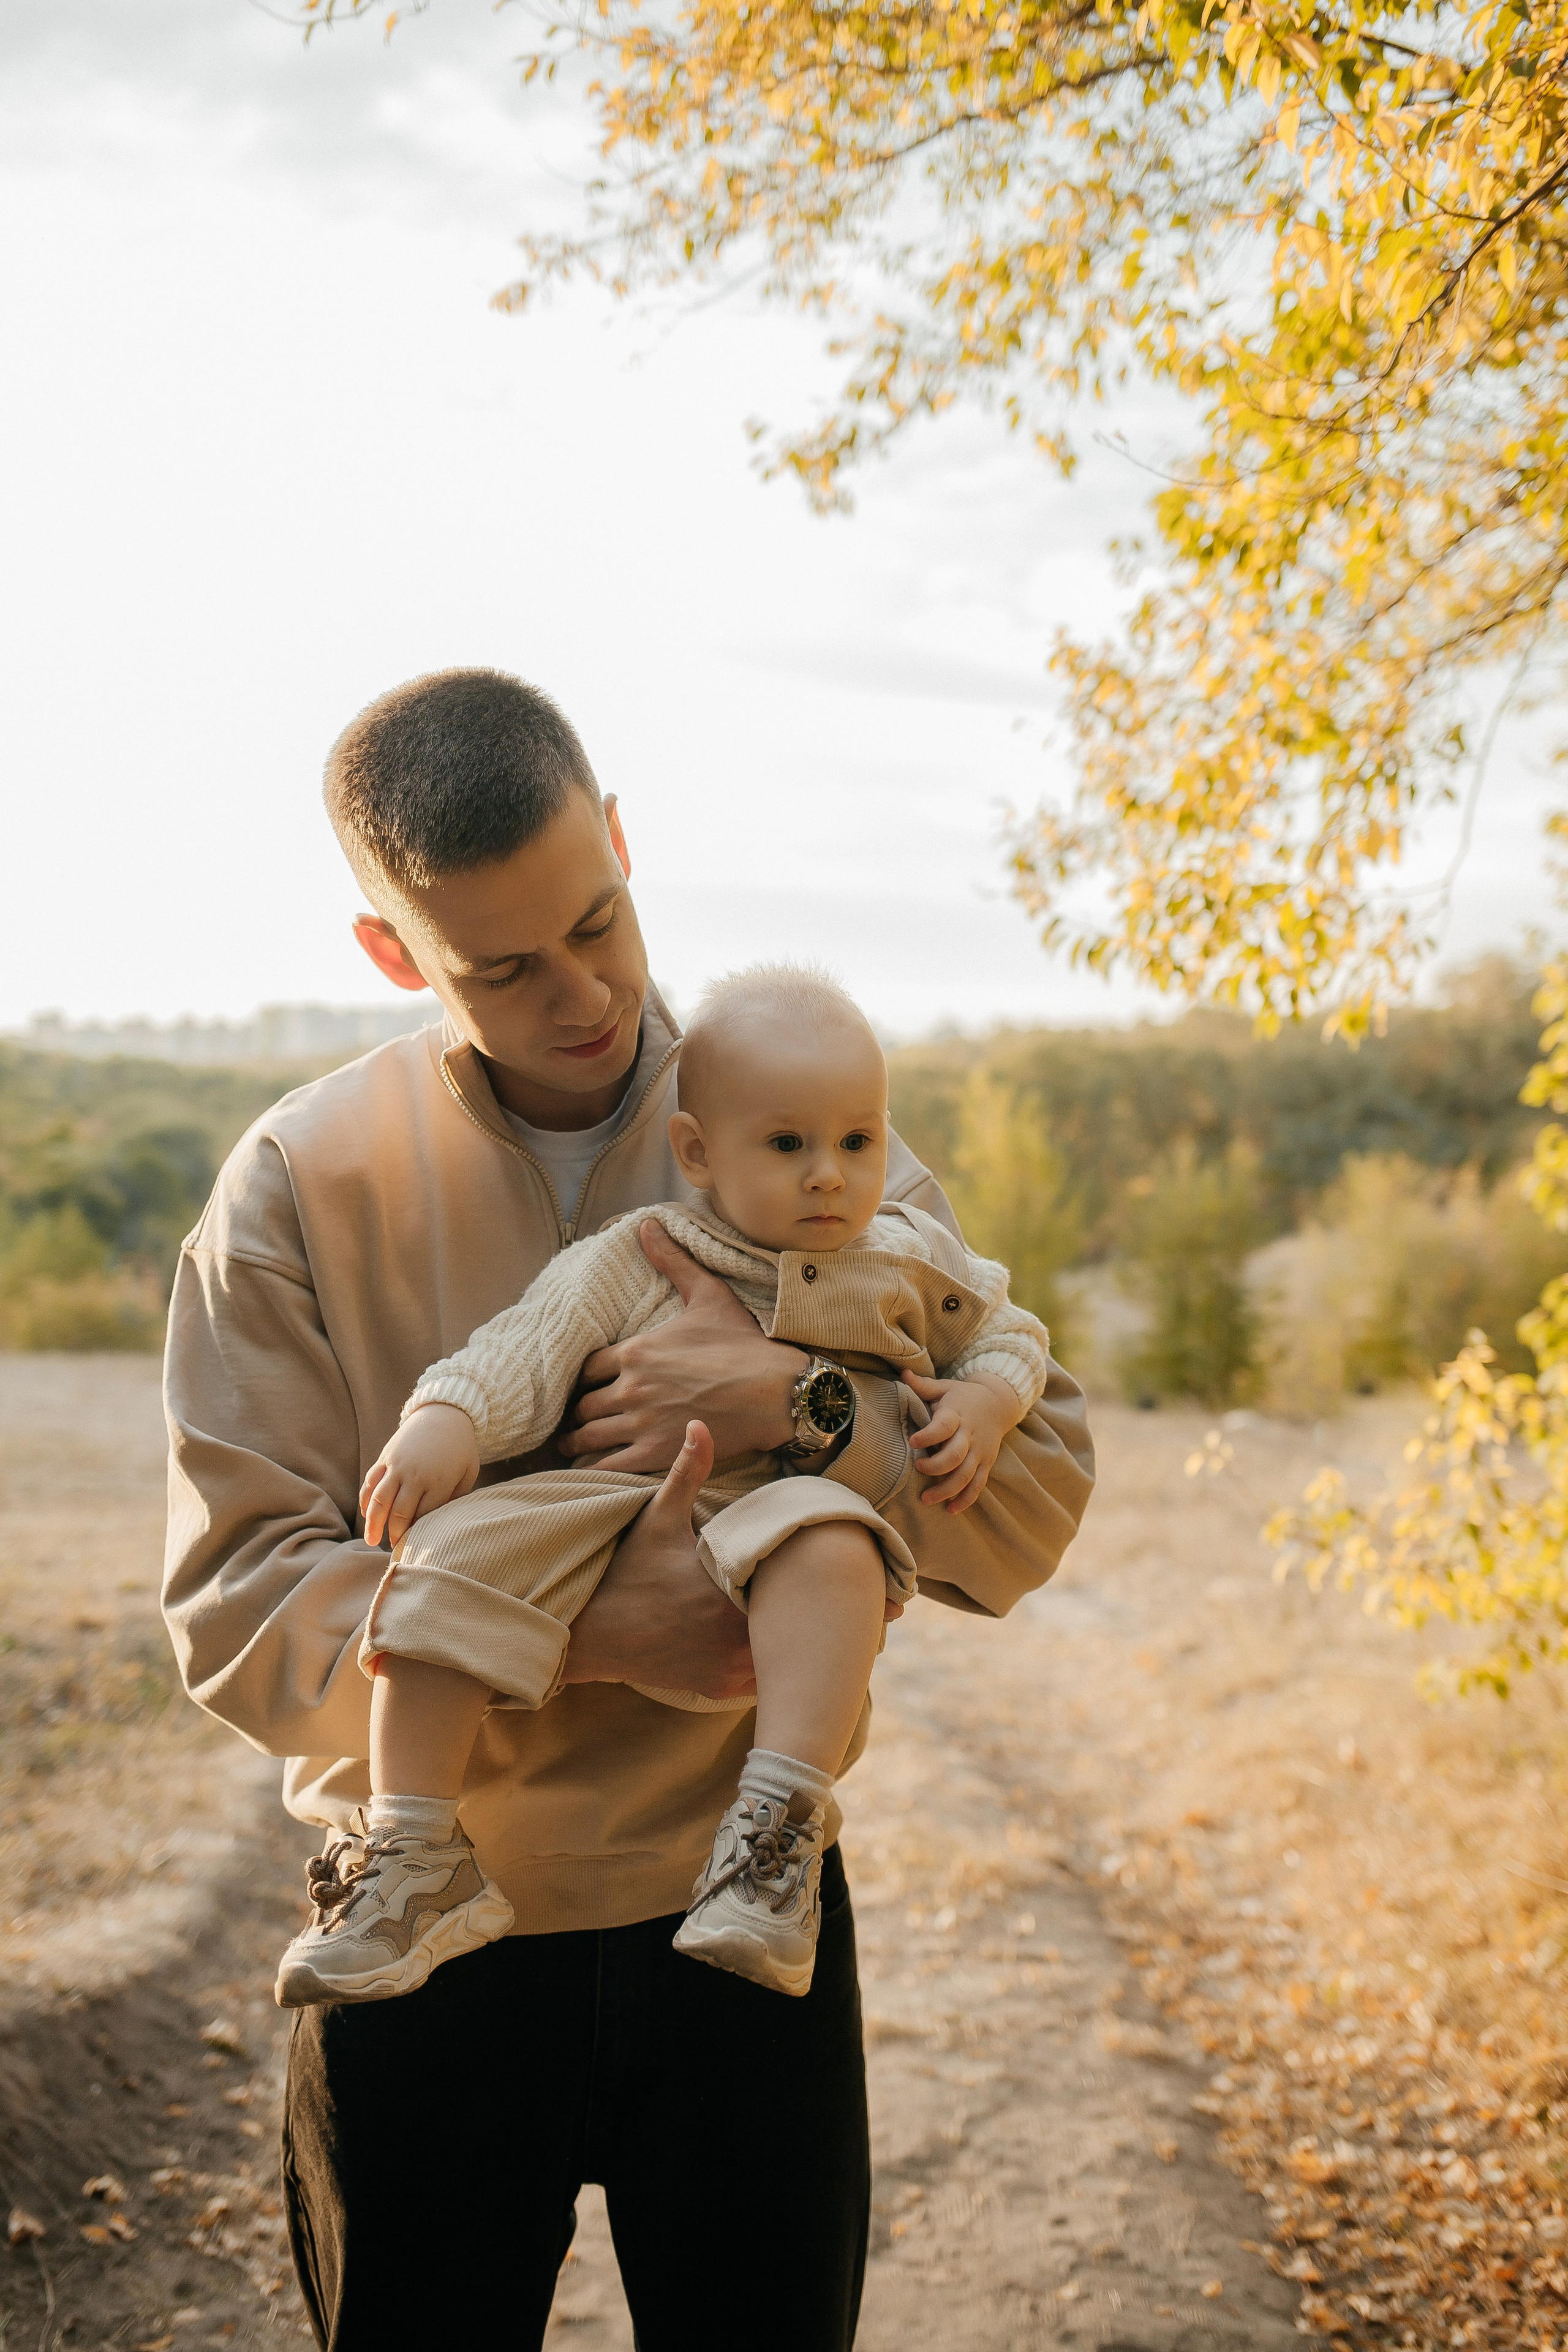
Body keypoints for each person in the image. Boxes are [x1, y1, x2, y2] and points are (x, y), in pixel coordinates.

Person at [162, 666, 1096, 2352]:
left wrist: (811, 1412)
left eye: (601, 918)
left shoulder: (799, 1129)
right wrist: (591, 1635)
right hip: (423, 1956)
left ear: (623, 840)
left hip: (740, 1932)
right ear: (393, 953)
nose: (584, 992)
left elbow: (1030, 1502)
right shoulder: (296, 1184)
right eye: (505, 965)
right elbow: (234, 1603)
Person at [273, 963, 1053, 2009]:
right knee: (440, 1562)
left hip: (775, 1515)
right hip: (608, 1510)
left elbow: (1011, 1337)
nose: (830, 1175)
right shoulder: (644, 1251)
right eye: (788, 1146)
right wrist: (442, 1421)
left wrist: (989, 1405)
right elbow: (527, 1350)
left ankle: (771, 1845)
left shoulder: (909, 1259)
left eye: (857, 1142)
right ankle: (416, 1854)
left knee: (834, 1542)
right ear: (698, 1154)